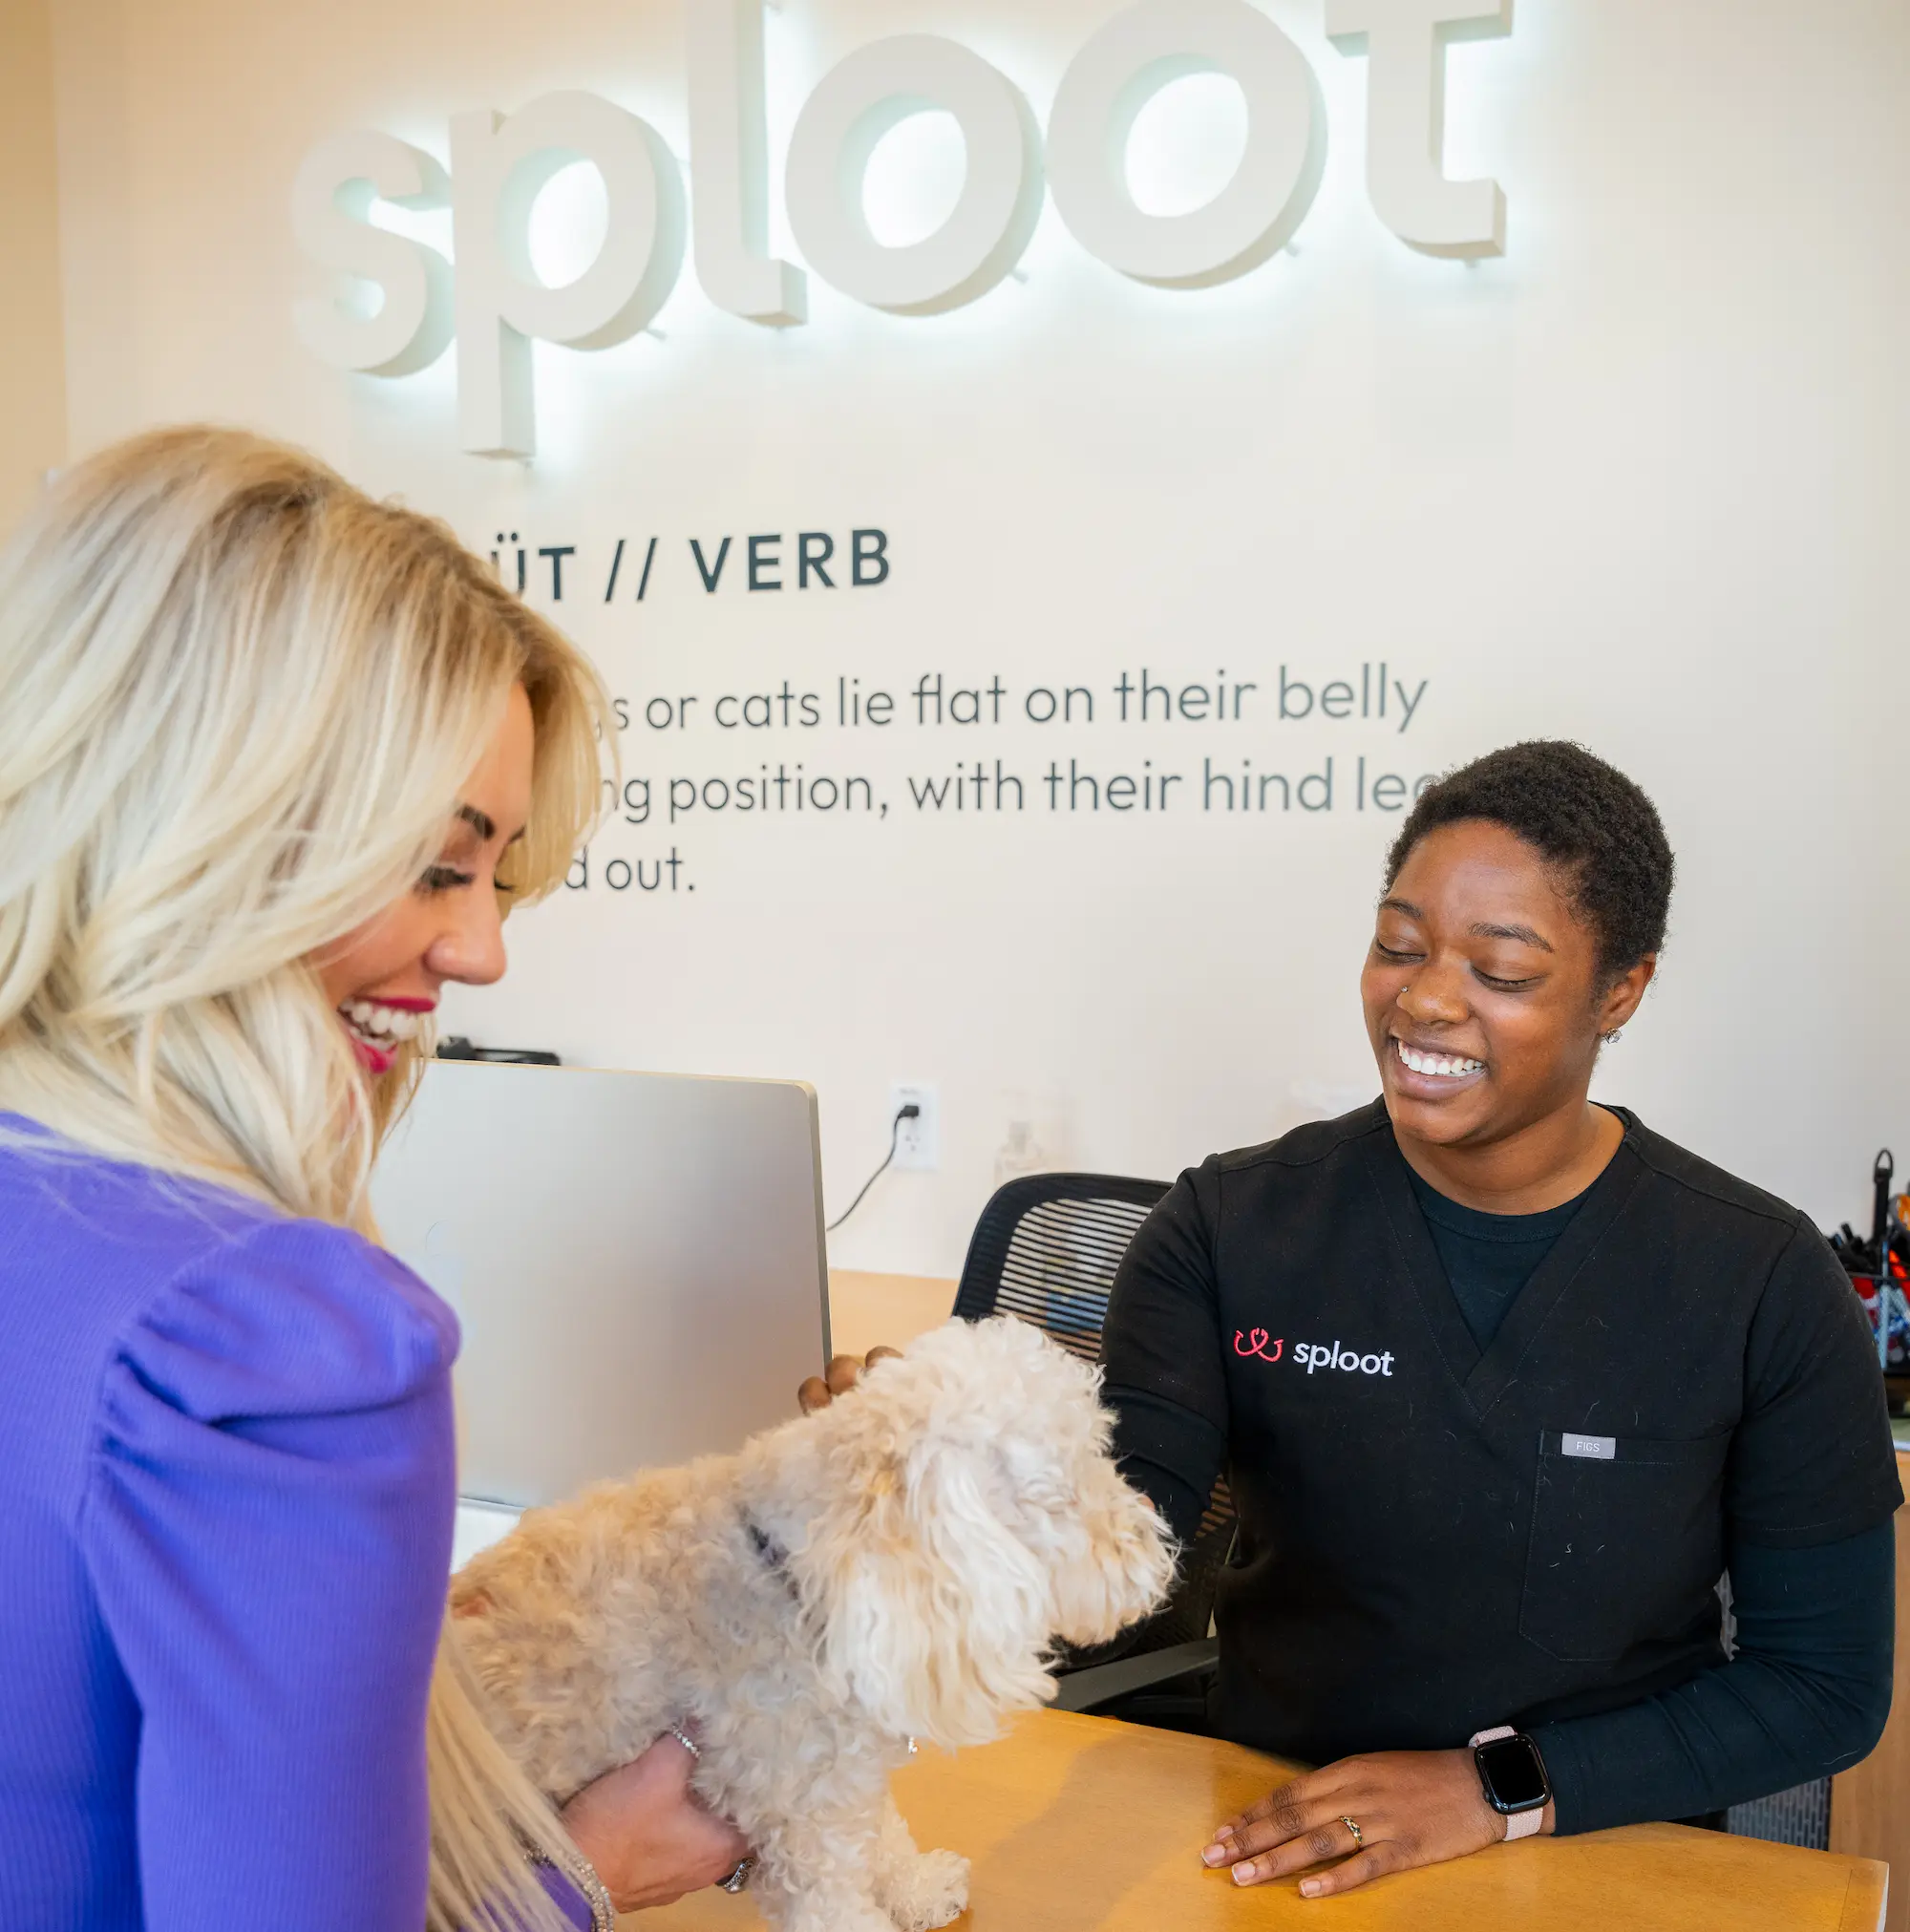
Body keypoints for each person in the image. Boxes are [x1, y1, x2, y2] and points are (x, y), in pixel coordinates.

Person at [0, 427, 747, 1931]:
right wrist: (587, 1873)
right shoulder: (272, 1340)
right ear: (199, 824)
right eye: (435, 866)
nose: (483, 949)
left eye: (497, 873)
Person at [1098, 741, 1900, 1897]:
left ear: (1618, 991)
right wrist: (924, 1481)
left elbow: (1821, 1688)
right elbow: (1116, 1552)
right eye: (1397, 946)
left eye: (1502, 969)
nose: (1424, 999)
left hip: (1593, 1848)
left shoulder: (1759, 1279)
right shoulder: (1227, 1226)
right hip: (1273, 1835)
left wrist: (1493, 1789)